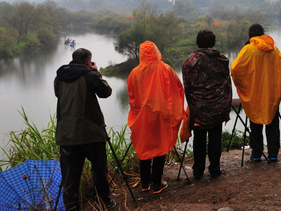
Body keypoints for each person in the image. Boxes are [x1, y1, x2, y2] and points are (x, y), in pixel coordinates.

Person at [54, 48, 116, 211]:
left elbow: (57, 94)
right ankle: (103, 201)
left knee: (70, 176)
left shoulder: (59, 77)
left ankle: (72, 207)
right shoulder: (90, 75)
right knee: (99, 170)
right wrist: (96, 72)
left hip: (66, 135)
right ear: (88, 61)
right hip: (91, 134)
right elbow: (106, 92)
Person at [127, 41, 186, 194]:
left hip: (142, 117)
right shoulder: (165, 69)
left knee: (145, 147)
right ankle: (157, 182)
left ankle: (145, 183)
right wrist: (175, 110)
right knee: (160, 148)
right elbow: (178, 88)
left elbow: (132, 98)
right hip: (162, 115)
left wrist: (137, 113)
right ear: (156, 51)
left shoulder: (134, 73)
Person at [231, 23, 281, 162]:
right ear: (263, 34)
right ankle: (273, 154)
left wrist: (245, 86)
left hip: (254, 94)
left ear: (250, 35)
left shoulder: (248, 50)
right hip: (271, 95)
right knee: (273, 124)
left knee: (255, 124)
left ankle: (256, 154)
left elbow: (235, 69)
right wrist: (277, 91)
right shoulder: (274, 50)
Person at [182, 30, 232, 179]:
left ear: (198, 42)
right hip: (218, 106)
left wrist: (194, 102)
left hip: (199, 108)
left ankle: (198, 171)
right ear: (213, 42)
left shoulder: (190, 61)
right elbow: (226, 84)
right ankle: (215, 169)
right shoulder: (222, 60)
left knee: (199, 139)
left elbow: (187, 86)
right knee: (216, 138)